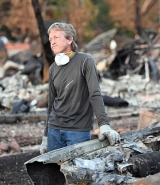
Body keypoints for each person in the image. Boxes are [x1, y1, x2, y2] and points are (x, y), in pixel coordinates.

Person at [40, 22, 120, 154]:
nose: (52, 42)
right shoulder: (53, 68)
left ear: (70, 39)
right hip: (54, 130)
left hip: (77, 131)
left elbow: (95, 94)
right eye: (50, 39)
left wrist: (104, 125)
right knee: (55, 172)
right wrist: (45, 135)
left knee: (79, 171)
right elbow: (51, 103)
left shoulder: (85, 61)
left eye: (56, 37)